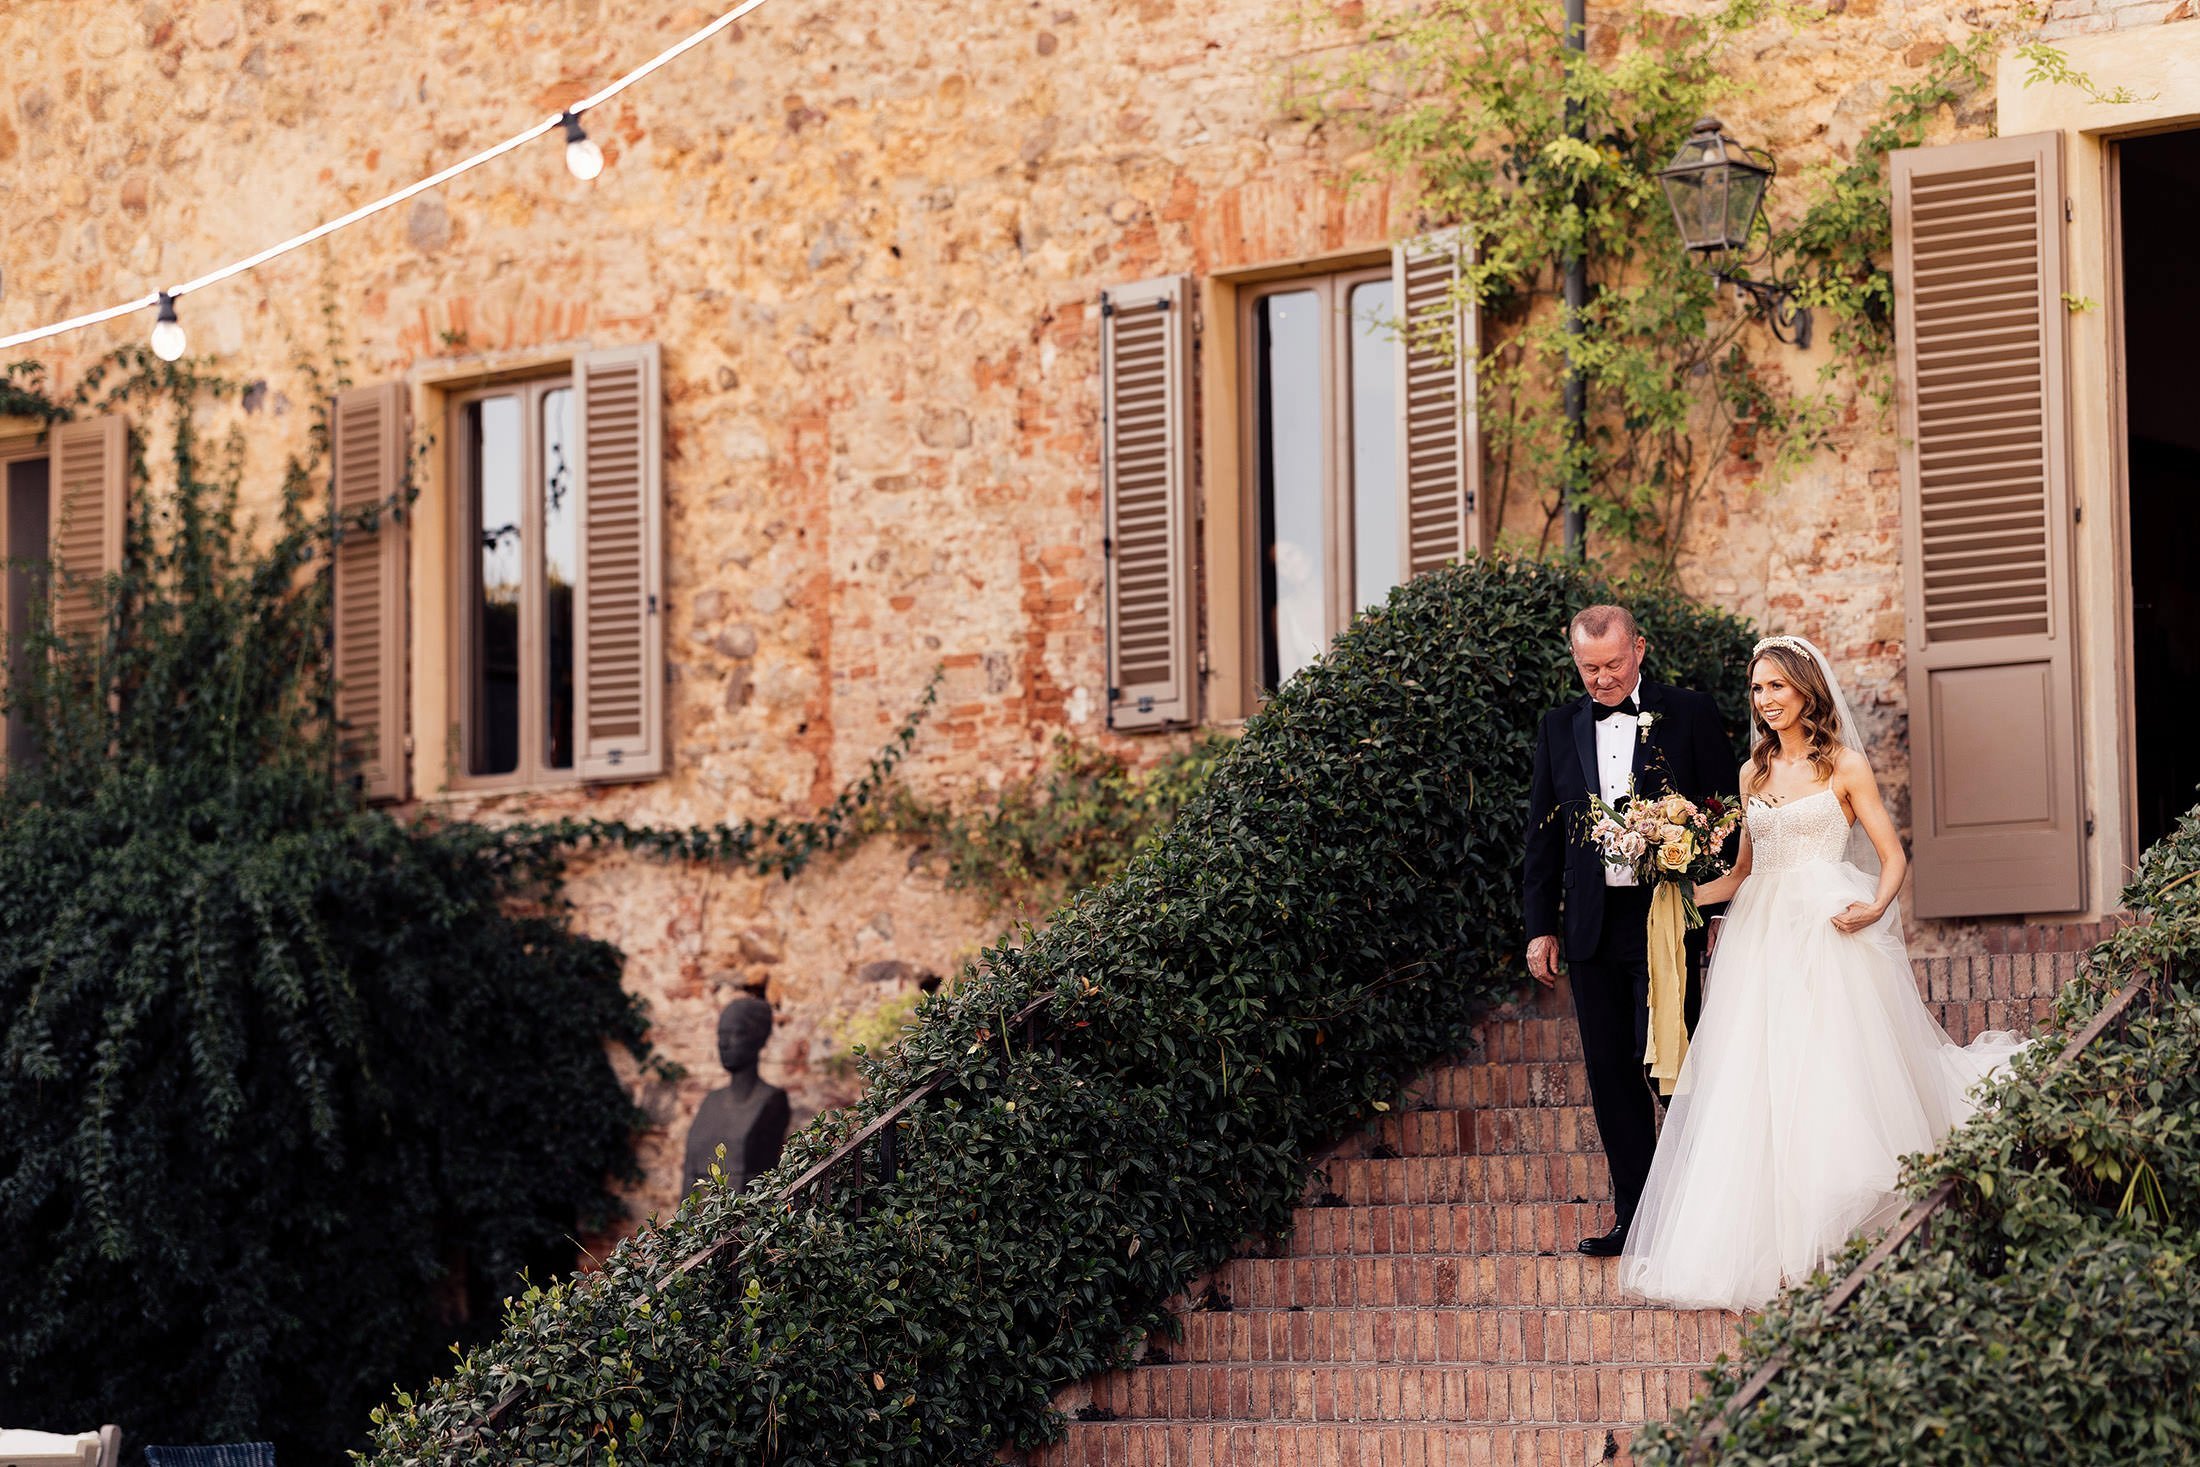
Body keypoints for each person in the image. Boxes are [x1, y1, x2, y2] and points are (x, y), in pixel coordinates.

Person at [1618, 636, 2026, 1310]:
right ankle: (1772, 1245)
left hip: (1827, 929)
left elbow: (1893, 856)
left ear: (1808, 689)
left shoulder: (1845, 765)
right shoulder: (1753, 775)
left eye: (1777, 686)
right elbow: (1744, 872)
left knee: (1825, 1072)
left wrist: (1873, 909)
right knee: (1761, 1082)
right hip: (1759, 937)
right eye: (1757, 690)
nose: (1766, 700)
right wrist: (1676, 890)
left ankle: (1830, 1237)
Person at [1521, 605, 1738, 1258]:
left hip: (1666, 916)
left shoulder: (1690, 712)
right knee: (1611, 1071)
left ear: (1638, 648)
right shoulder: (1558, 728)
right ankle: (1636, 1219)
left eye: (1613, 664)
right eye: (1588, 668)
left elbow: (1725, 811)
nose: (1602, 678)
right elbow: (1542, 836)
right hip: (1590, 925)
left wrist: (1717, 906)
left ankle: (1707, 1207)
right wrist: (1540, 928)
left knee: (1672, 1062)